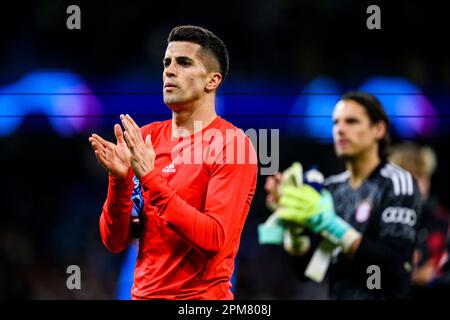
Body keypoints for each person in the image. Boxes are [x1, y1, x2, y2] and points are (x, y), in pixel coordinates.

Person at [88, 25, 258, 299]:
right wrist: (119, 183)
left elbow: (214, 238)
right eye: (167, 62)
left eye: (184, 62)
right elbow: (115, 241)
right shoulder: (146, 139)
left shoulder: (232, 145)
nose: (169, 70)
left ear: (212, 81)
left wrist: (151, 178)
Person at [265, 92, 422, 299]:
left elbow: (394, 264)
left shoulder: (398, 183)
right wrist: (295, 230)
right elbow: (309, 270)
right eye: (335, 123)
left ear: (379, 129)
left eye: (352, 121)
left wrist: (332, 226)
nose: (340, 129)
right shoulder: (331, 189)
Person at [389, 142, 450, 298]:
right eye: (409, 177)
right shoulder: (379, 224)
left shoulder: (443, 222)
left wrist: (434, 277)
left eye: (421, 176)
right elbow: (368, 281)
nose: (418, 186)